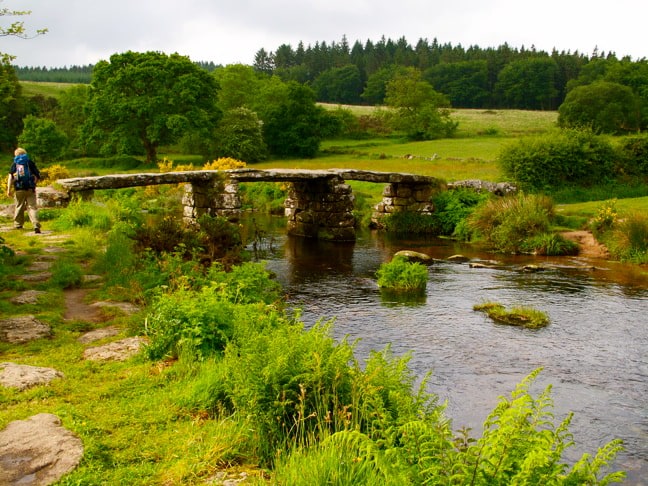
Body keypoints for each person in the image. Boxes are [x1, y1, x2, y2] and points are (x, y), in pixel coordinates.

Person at [6, 147, 41, 233]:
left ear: (16, 155)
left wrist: (8, 189)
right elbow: (37, 175)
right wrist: (33, 185)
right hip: (30, 189)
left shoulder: (15, 163)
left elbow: (11, 177)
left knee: (19, 206)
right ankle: (36, 224)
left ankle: (18, 225)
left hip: (19, 189)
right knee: (32, 207)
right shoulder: (29, 162)